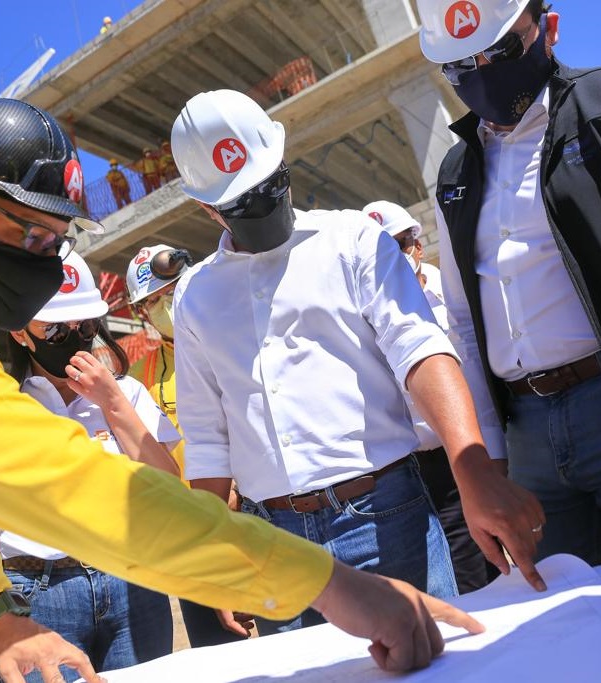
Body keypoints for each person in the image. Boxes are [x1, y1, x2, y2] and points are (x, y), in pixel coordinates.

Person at [0, 96, 483, 683]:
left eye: (57, 240)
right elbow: (77, 490)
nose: (45, 262)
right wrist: (331, 582)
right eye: (30, 234)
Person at [169, 89, 546, 636]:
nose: (262, 207)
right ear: (207, 208)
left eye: (270, 187)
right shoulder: (195, 295)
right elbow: (206, 434)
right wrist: (213, 555)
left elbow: (421, 349)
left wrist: (473, 468)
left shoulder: (351, 240)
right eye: (239, 204)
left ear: (283, 163)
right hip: (273, 544)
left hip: (386, 518)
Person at [418, 0, 601, 564]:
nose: (481, 74)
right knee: (560, 623)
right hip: (527, 437)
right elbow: (462, 323)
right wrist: (488, 461)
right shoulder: (456, 171)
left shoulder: (595, 110)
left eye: (498, 51)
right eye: (459, 67)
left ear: (548, 27)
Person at [0, 251, 178, 682]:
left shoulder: (127, 393)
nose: (75, 336)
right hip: (39, 591)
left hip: (131, 580)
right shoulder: (0, 405)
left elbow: (169, 488)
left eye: (85, 325)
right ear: (22, 333)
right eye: (56, 329)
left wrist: (112, 404)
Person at [363, 200, 494, 594]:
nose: (396, 257)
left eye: (400, 245)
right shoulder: (361, 312)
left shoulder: (451, 295)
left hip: (465, 453)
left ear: (418, 247)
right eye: (381, 250)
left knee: (487, 569)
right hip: (407, 471)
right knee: (439, 582)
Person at [126, 244, 245, 647]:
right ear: (141, 313)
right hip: (192, 536)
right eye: (152, 302)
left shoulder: (240, 338)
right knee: (221, 657)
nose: (163, 306)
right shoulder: (139, 379)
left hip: (258, 515)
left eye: (170, 291)